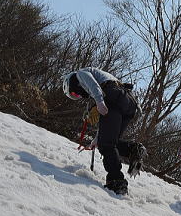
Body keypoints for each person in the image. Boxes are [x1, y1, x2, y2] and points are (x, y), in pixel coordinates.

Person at [62, 67, 146, 195]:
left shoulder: (80, 74)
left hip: (113, 95)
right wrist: (97, 138)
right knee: (110, 142)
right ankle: (132, 149)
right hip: (129, 102)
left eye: (75, 94)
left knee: (106, 145)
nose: (79, 96)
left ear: (71, 84)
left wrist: (99, 101)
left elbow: (93, 84)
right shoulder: (104, 80)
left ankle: (116, 180)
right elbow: (106, 128)